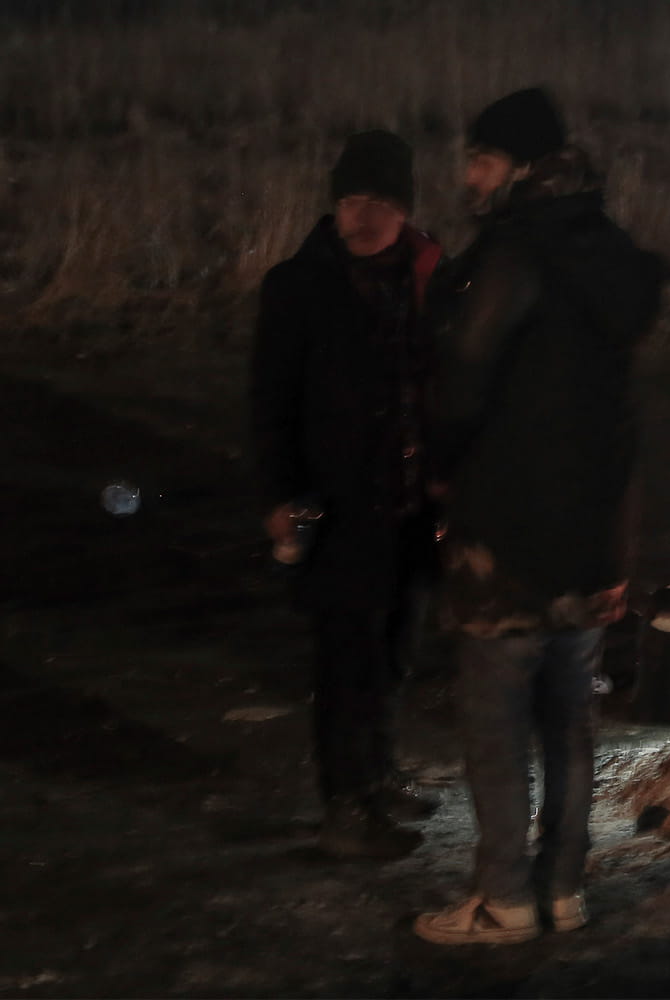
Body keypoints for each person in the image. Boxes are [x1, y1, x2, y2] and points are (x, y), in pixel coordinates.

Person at [412, 88, 662, 945]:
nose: (467, 177)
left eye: (480, 160)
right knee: (570, 721)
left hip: (508, 533)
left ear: (520, 166)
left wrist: (441, 474)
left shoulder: (517, 255)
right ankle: (563, 889)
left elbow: (464, 379)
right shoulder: (609, 255)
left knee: (494, 722)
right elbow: (618, 410)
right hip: (590, 535)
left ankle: (504, 900)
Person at [249, 130, 444, 860]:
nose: (363, 216)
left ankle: (379, 776)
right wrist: (278, 494)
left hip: (409, 505)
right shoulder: (298, 287)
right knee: (345, 662)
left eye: (381, 202)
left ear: (404, 209)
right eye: (351, 199)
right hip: (335, 508)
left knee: (394, 650)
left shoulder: (425, 279)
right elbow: (269, 402)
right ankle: (345, 805)